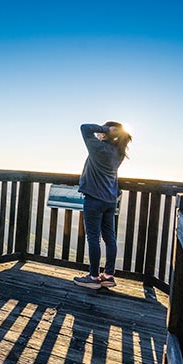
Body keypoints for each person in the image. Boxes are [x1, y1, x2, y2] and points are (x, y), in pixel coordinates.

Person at [73, 121, 132, 289]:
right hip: (110, 200)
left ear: (106, 134)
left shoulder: (99, 148)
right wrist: (112, 132)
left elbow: (84, 128)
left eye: (102, 130)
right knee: (109, 238)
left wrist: (106, 130)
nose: (99, 132)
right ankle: (108, 276)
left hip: (94, 199)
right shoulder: (118, 152)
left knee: (93, 238)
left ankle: (93, 278)